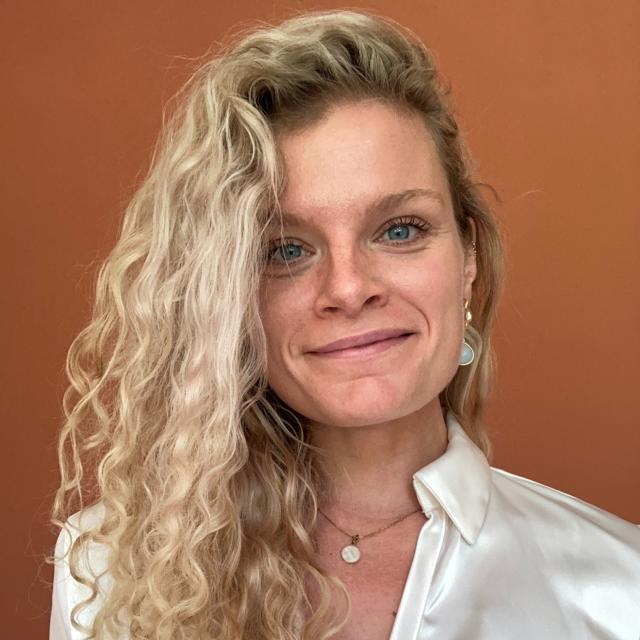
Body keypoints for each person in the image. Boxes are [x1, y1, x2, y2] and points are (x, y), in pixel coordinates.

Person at [48, 8, 640, 640]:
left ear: (467, 257)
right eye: (285, 249)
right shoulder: (108, 570)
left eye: (399, 230)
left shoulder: (620, 589)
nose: (349, 288)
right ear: (225, 293)